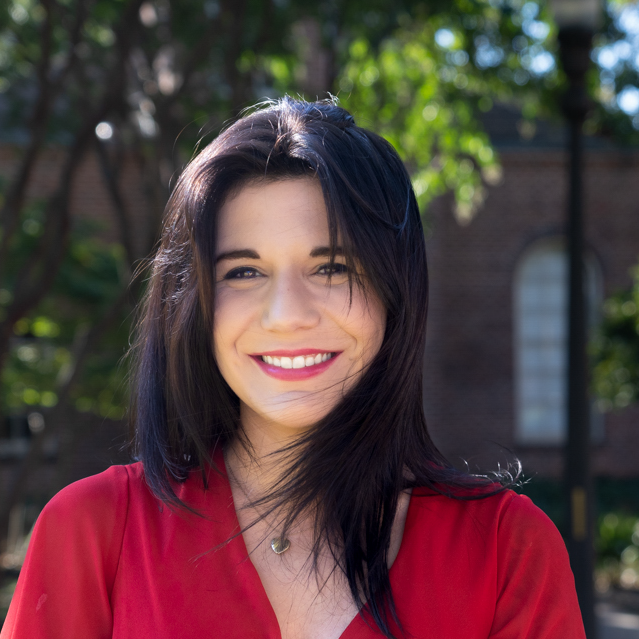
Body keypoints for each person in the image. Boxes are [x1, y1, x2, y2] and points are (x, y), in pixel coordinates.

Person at [1, 98, 586, 639]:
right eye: (243, 272)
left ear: (395, 292)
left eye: (331, 267)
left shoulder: (507, 549)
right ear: (195, 305)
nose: (286, 317)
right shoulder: (93, 532)